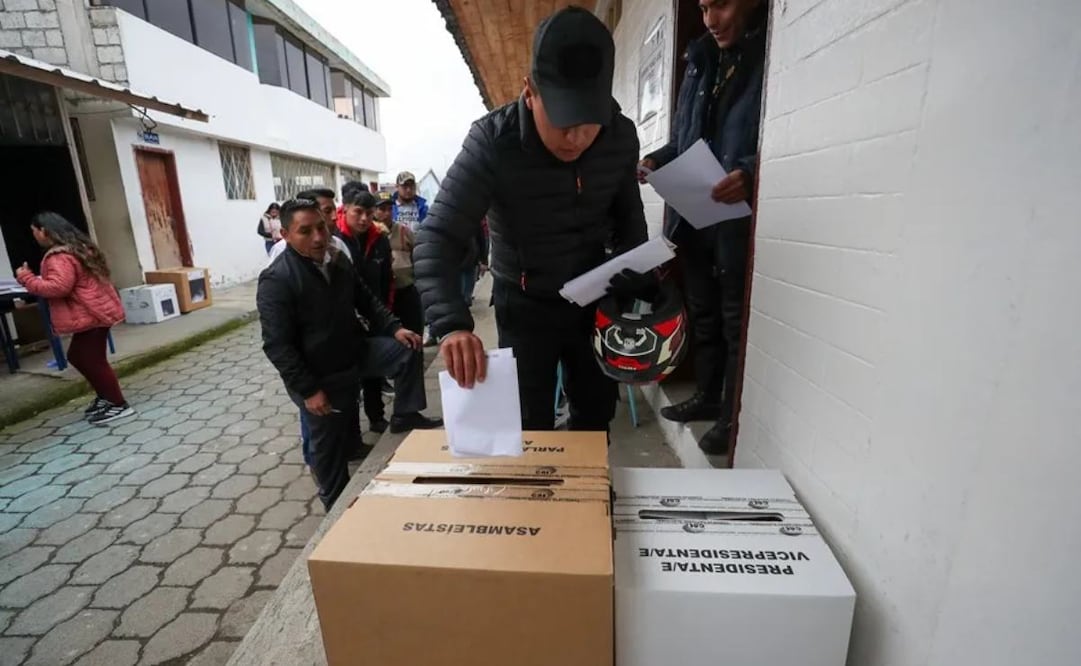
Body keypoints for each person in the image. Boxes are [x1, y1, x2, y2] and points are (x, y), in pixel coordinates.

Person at [415, 6, 649, 432]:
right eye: (563, 120)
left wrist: (634, 283)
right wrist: (451, 325)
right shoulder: (491, 141)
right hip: (523, 301)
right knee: (528, 420)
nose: (576, 137)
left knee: (596, 412)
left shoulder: (620, 135)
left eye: (589, 121)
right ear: (529, 91)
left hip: (592, 297)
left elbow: (628, 218)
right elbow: (436, 237)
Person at [638, 0, 767, 454]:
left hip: (735, 221)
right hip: (694, 219)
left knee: (734, 322)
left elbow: (777, 135)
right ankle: (707, 397)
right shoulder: (698, 60)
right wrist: (656, 160)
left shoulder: (764, 55)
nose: (711, 20)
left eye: (722, 5)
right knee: (704, 316)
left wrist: (750, 174)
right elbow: (685, 140)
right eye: (704, 7)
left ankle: (730, 418)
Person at [258, 198, 442, 509]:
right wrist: (309, 390)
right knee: (330, 450)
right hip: (319, 375)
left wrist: (395, 327)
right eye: (305, 231)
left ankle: (405, 415)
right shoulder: (278, 279)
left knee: (407, 348)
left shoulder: (336, 260)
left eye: (321, 227)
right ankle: (337, 512)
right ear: (286, 235)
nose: (318, 237)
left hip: (353, 352)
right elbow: (277, 346)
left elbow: (367, 300)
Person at [16, 212, 132, 425]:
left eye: (34, 231)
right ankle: (106, 396)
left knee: (92, 360)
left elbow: (59, 287)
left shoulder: (59, 256)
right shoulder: (78, 248)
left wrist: (26, 278)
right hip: (95, 311)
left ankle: (118, 404)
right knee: (79, 356)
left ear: (44, 231)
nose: (34, 236)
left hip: (92, 314)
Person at [335, 189, 396, 434]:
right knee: (349, 377)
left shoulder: (379, 239)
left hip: (375, 313)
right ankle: (350, 435)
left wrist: (385, 311)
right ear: (345, 209)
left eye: (369, 214)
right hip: (345, 320)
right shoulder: (335, 240)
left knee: (374, 371)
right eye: (358, 212)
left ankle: (377, 417)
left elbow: (387, 280)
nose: (363, 219)